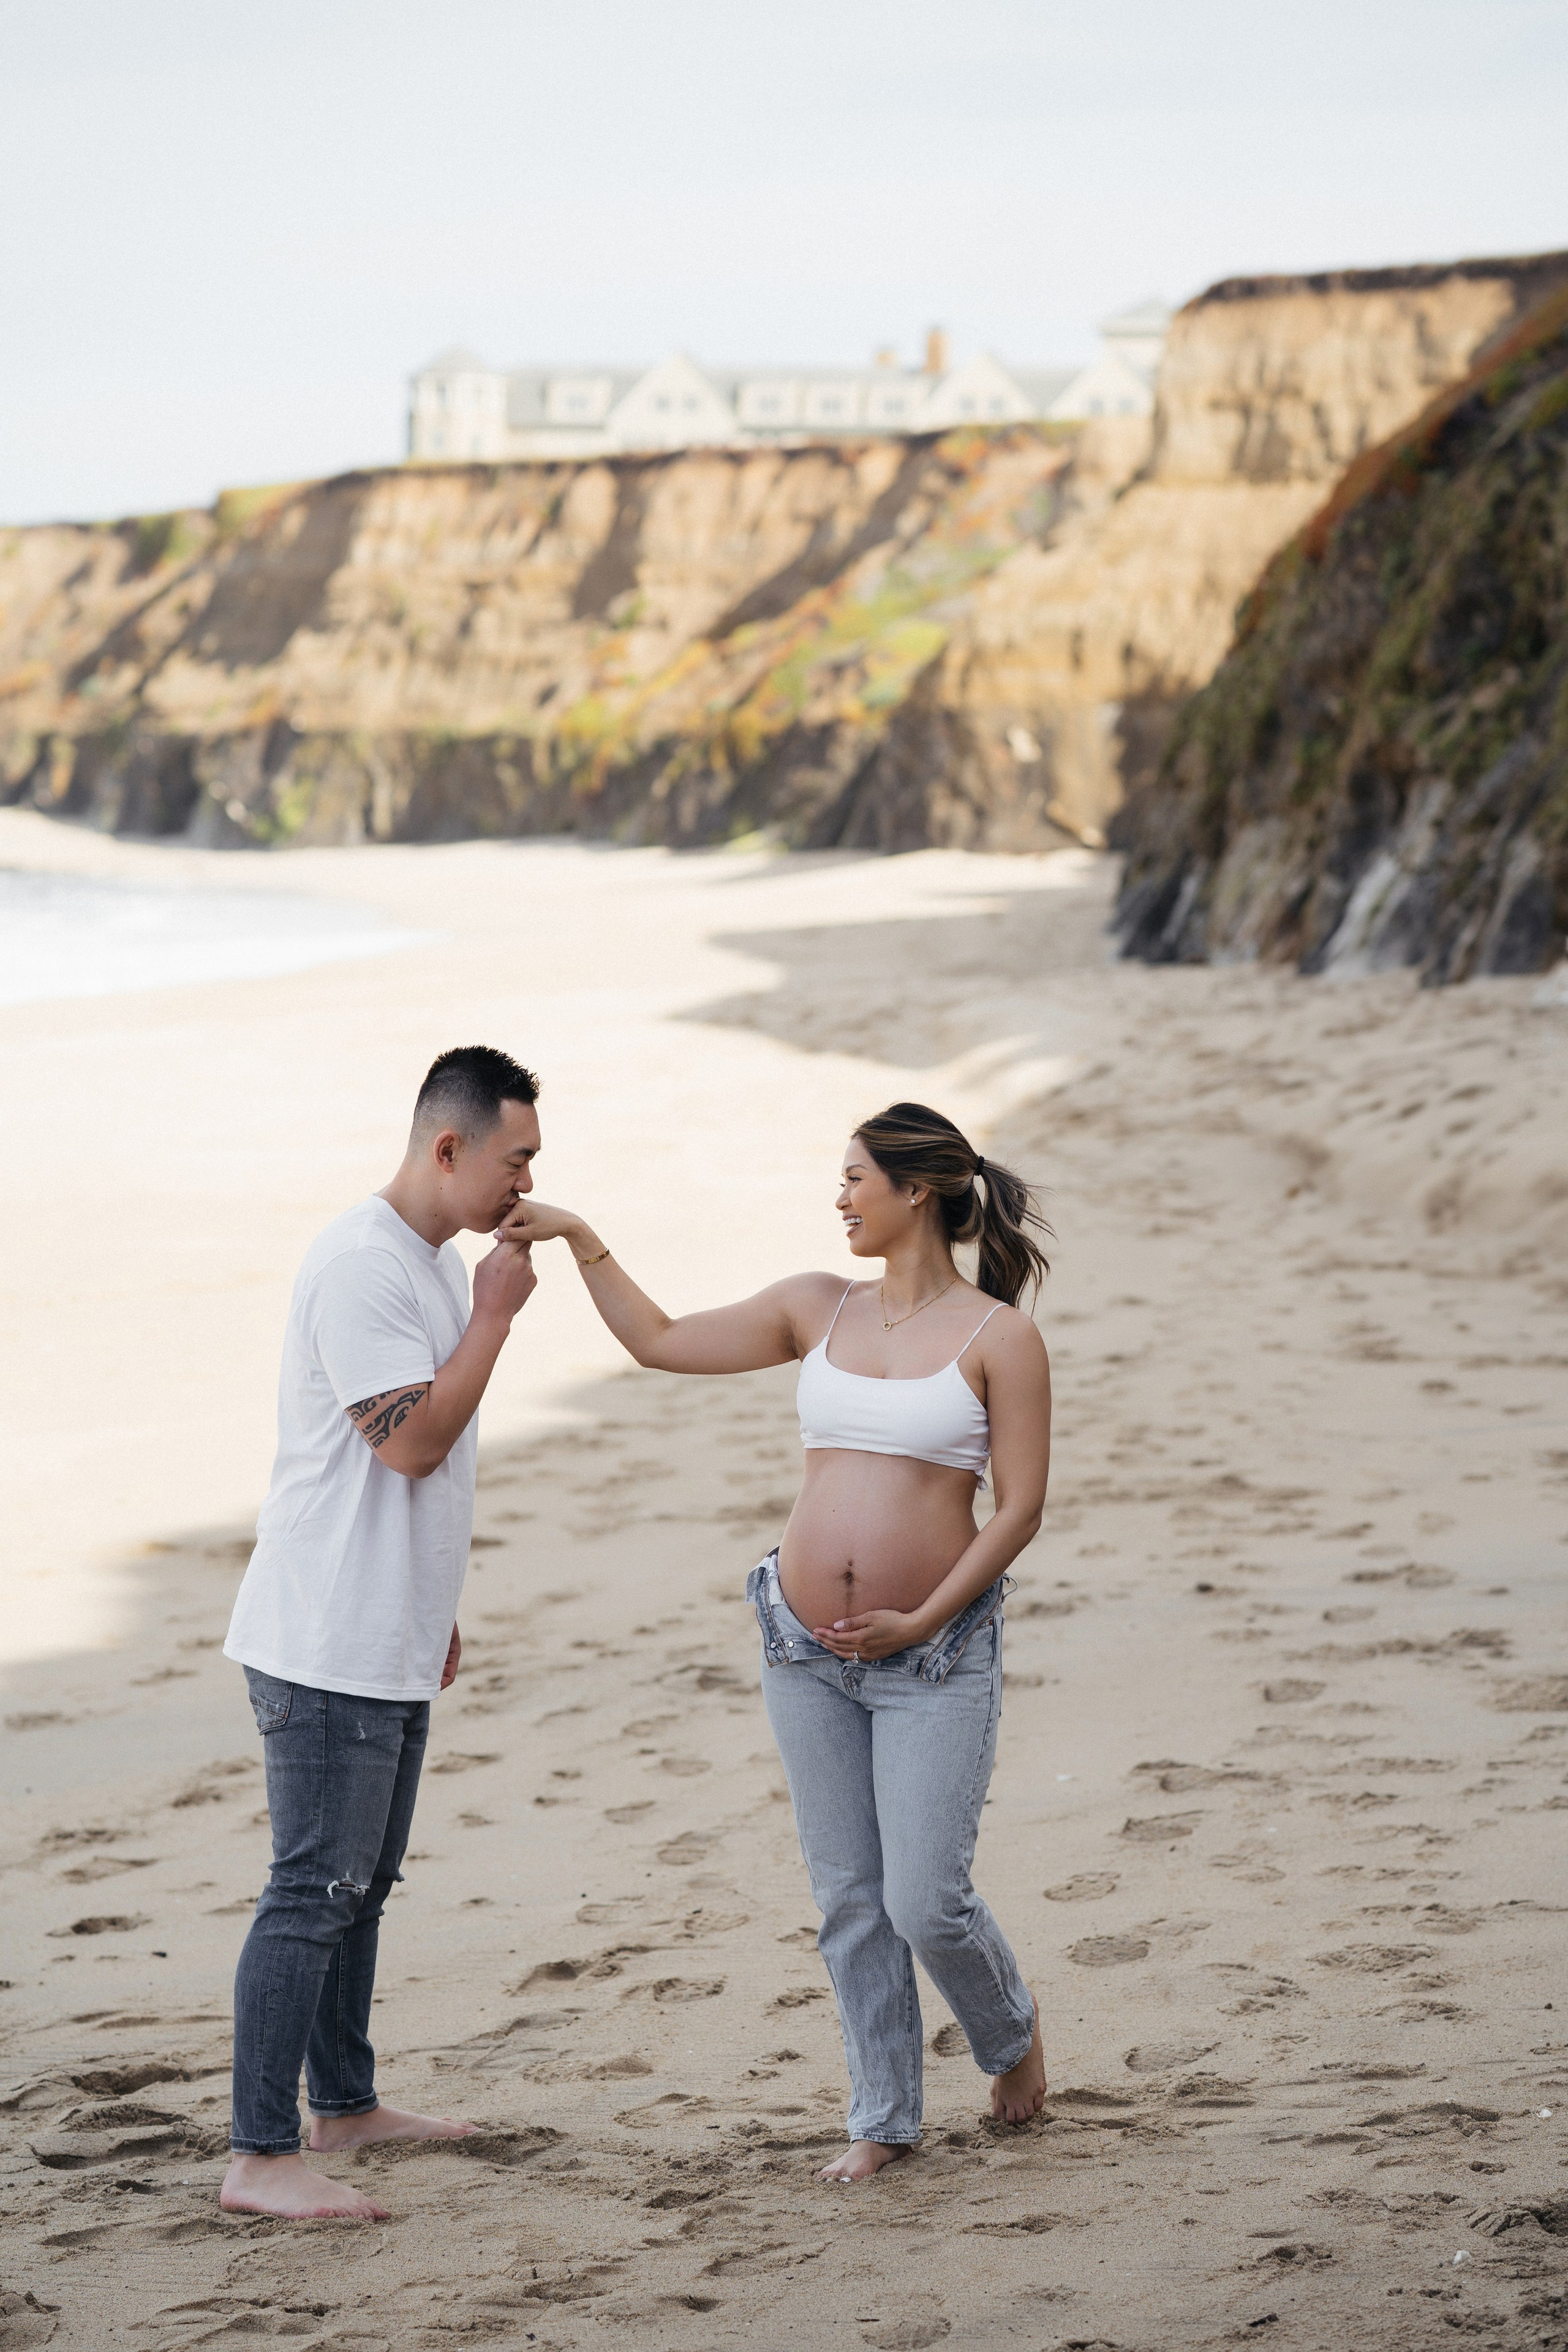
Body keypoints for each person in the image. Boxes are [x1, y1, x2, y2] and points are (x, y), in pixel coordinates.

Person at [505, 1101, 1052, 2182]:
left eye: (856, 1179)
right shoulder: (819, 1307)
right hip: (800, 1644)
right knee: (851, 1897)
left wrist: (924, 1615)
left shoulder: (1001, 1337)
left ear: (919, 1192)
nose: (839, 1198)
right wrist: (580, 1238)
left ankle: (1012, 2037)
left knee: (924, 1898)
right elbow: (660, 1343)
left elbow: (1021, 1509)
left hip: (934, 1657)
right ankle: (884, 2119)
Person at [219, 1045, 543, 2221]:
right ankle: (259, 2154)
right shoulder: (365, 1262)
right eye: (515, 1162)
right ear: (446, 1148)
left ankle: (342, 2106)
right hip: (320, 1635)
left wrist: (430, 1603)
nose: (525, 1187)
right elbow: (408, 1439)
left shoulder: (433, 1262)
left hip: (381, 1621)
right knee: (313, 1887)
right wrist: (498, 1321)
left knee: (365, 1884)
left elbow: (419, 1467)